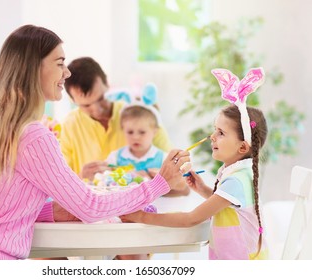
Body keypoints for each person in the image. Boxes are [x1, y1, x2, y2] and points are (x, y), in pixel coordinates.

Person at [0, 24, 191, 260]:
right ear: (33, 69)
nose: (67, 73)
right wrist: (158, 184)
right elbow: (90, 206)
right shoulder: (33, 135)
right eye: (60, 63)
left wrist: (52, 211)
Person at [121, 68, 269, 260]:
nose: (212, 137)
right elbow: (227, 205)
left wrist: (142, 217)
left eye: (221, 133)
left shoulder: (236, 180)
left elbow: (190, 219)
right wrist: (202, 188)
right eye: (214, 130)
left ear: (242, 147)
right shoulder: (241, 174)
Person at [61, 57, 175, 182]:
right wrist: (80, 176)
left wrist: (150, 177)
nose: (97, 110)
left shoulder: (137, 112)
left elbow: (175, 171)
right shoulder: (70, 124)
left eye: (101, 99)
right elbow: (60, 182)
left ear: (107, 84)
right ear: (73, 100)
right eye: (86, 105)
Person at [106, 100, 190, 196]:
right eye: (130, 132)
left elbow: (183, 186)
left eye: (142, 132)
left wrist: (162, 178)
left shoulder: (164, 159)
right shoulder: (115, 158)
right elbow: (104, 181)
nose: (135, 137)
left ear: (155, 132)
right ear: (123, 130)